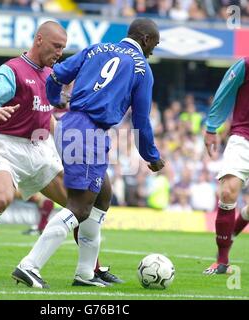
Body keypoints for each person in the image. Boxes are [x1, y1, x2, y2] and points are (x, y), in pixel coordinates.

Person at [0, 21, 121, 286]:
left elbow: (46, 115)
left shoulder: (51, 75)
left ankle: (92, 269)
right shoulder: (13, 70)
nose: (60, 52)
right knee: (1, 200)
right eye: (56, 46)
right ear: (39, 40)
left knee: (78, 207)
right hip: (7, 146)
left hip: (39, 149)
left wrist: (64, 143)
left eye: (63, 47)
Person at [11, 18, 165, 288]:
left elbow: (58, 74)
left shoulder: (97, 48)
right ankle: (29, 265)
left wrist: (55, 97)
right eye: (154, 44)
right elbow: (141, 120)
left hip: (72, 125)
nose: (153, 50)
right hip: (89, 132)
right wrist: (151, 156)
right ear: (145, 39)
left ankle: (85, 273)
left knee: (103, 195)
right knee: (80, 208)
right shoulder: (142, 70)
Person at [203, 57, 249, 275]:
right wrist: (212, 127)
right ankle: (222, 260)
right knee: (228, 192)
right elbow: (225, 90)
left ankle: (229, 234)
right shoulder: (246, 64)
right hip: (243, 137)